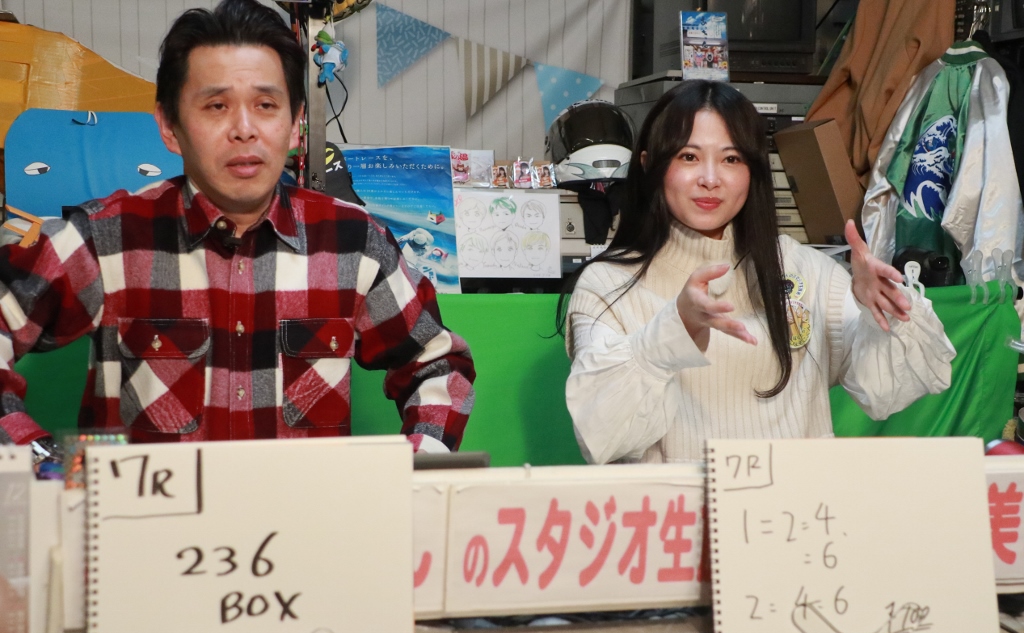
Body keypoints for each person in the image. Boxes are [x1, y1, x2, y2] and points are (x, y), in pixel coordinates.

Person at [0, 0, 475, 460]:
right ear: (169, 126)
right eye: (216, 106)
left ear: (296, 125)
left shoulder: (354, 243)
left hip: (305, 514)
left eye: (266, 104)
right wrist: (40, 461)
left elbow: (438, 366)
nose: (244, 129)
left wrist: (413, 471)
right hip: (149, 515)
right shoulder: (107, 240)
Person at [559, 80, 955, 465]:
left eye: (731, 159)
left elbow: (891, 389)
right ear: (649, 165)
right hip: (680, 508)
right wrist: (673, 330)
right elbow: (601, 435)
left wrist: (885, 308)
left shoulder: (802, 268)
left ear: (754, 170)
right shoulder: (607, 284)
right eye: (689, 157)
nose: (710, 179)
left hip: (799, 506)